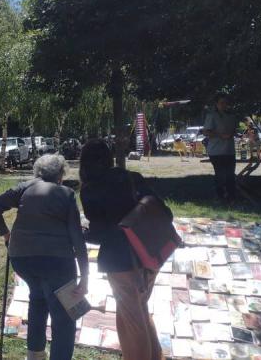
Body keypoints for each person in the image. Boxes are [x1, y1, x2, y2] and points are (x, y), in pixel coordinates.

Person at [0, 154, 89, 360]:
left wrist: (6, 235)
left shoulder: (24, 187)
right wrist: (85, 276)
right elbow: (77, 238)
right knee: (64, 317)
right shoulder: (66, 194)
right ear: (60, 175)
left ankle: (34, 356)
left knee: (38, 300)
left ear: (38, 172)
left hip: (22, 259)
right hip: (56, 262)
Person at [79, 139, 162, 360]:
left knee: (131, 320)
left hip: (122, 261)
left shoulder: (90, 190)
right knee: (140, 310)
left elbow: (99, 232)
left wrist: (84, 233)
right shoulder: (131, 177)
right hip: (150, 253)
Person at [203, 93, 239, 201]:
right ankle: (221, 198)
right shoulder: (211, 116)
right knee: (220, 175)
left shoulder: (232, 116)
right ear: (216, 104)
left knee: (230, 175)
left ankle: (231, 198)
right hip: (216, 151)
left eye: (226, 103)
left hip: (229, 150)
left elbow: (234, 131)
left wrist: (232, 134)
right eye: (221, 103)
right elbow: (206, 132)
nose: (224, 105)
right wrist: (220, 135)